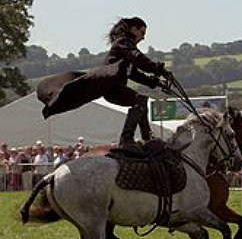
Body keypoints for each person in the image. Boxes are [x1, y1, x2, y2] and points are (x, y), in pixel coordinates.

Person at [37, 16, 174, 148]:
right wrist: (159, 70)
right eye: (142, 32)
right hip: (111, 88)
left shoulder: (126, 45)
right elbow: (139, 59)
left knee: (141, 101)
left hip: (113, 87)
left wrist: (156, 83)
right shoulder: (123, 42)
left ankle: (146, 137)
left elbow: (133, 73)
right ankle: (132, 138)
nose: (143, 37)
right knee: (140, 100)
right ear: (133, 29)